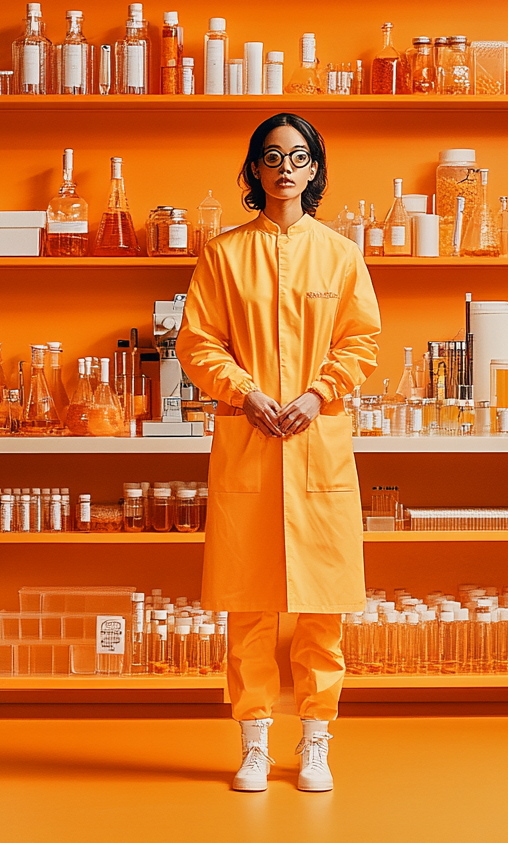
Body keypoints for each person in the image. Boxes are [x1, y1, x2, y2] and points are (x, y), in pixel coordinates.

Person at [176, 113, 380, 792]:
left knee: (324, 608)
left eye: (298, 156)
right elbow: (198, 343)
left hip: (318, 448)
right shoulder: (224, 254)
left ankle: (316, 742)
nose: (285, 167)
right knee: (249, 606)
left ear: (315, 169)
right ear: (254, 171)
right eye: (271, 156)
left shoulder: (341, 255)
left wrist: (319, 394)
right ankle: (256, 742)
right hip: (250, 439)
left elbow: (361, 343)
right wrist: (247, 393)